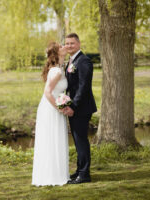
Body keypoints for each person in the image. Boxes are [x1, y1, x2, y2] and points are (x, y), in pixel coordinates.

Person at [32, 42, 70, 186]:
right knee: (51, 139)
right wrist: (59, 107)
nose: (64, 47)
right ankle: (51, 176)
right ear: (56, 53)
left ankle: (55, 173)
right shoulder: (57, 71)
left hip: (53, 105)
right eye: (61, 46)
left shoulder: (59, 68)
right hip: (50, 108)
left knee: (55, 139)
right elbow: (47, 92)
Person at [63, 33, 97, 184]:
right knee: (78, 141)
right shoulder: (71, 61)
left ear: (79, 44)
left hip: (81, 108)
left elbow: (84, 87)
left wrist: (73, 106)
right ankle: (79, 171)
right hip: (74, 107)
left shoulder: (83, 61)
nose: (69, 46)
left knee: (81, 140)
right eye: (67, 43)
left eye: (72, 43)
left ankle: (84, 175)